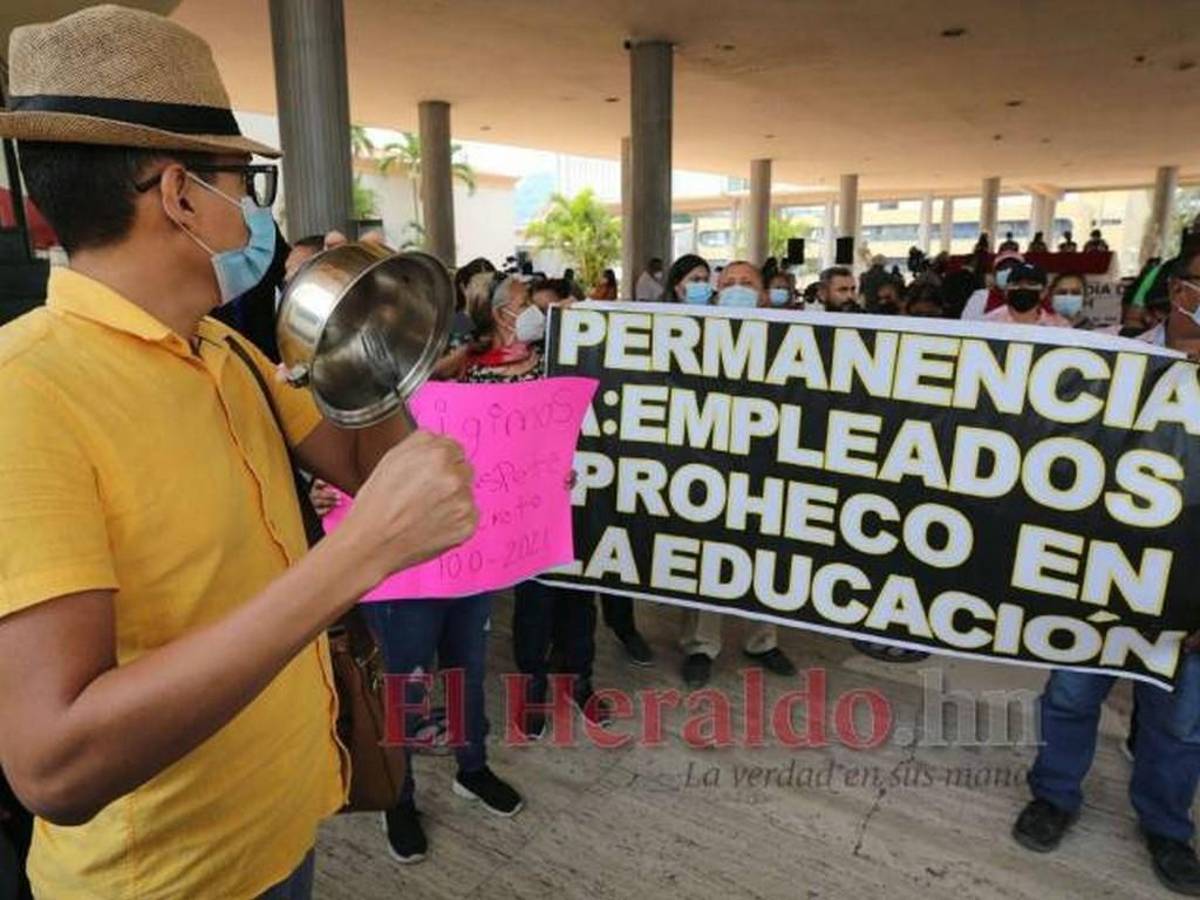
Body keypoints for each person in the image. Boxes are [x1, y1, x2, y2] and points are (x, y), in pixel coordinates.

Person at [0, 8, 479, 899]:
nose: (257, 210)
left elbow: (378, 470)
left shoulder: (226, 352)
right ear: (182, 195)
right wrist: (356, 555)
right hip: (170, 880)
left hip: (287, 825)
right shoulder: (26, 394)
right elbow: (53, 765)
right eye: (246, 181)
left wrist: (367, 333)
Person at [1011, 246, 1200, 897]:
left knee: (1180, 721)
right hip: (1095, 575)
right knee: (1069, 695)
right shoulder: (1109, 360)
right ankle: (1055, 795)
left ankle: (1167, 827)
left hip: (1190, 594)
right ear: (1178, 288)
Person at [678, 260, 797, 688]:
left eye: (748, 284)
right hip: (710, 463)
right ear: (713, 292)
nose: (738, 289)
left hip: (768, 464)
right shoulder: (694, 335)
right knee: (708, 554)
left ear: (765, 295)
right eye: (728, 283)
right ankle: (700, 645)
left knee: (763, 555)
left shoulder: (792, 338)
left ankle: (762, 639)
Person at [983, 263, 1070, 326]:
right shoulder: (988, 322)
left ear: (1043, 292)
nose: (1023, 288)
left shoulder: (1059, 326)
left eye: (1031, 284)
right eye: (1016, 284)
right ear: (1006, 291)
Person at [960, 249, 1024, 320]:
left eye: (1014, 268)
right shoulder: (982, 296)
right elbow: (967, 325)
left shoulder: (1031, 298)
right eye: (1003, 268)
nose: (1009, 271)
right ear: (994, 274)